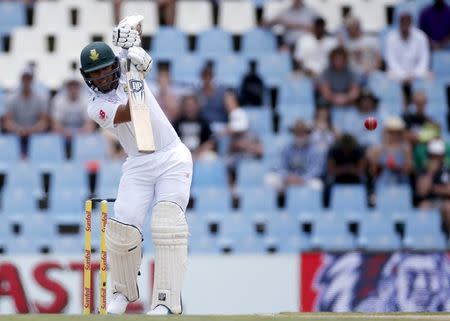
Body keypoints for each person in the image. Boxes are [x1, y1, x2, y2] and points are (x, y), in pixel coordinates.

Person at [79, 16, 192, 315]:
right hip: (138, 163)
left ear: (112, 64)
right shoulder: (95, 107)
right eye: (95, 73)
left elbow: (136, 23)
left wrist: (133, 41)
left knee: (167, 222)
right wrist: (137, 67)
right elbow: (133, 112)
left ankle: (166, 301)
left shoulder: (125, 61)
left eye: (105, 68)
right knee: (122, 227)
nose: (102, 76)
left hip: (171, 156)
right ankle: (121, 294)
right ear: (86, 76)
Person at [3, 65, 49, 159]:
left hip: (35, 137)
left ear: (32, 80)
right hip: (16, 136)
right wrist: (19, 130)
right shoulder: (11, 99)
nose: (26, 81)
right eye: (24, 78)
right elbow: (7, 122)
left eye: (28, 78)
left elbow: (44, 122)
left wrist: (31, 130)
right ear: (21, 79)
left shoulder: (40, 98)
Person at [51, 74, 95, 159]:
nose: (73, 88)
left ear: (79, 87)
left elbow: (90, 125)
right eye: (70, 85)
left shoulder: (86, 100)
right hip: (63, 135)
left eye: (75, 85)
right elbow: (55, 125)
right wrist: (65, 132)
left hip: (81, 134)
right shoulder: (58, 100)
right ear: (66, 87)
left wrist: (76, 133)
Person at [385, 10, 431, 82]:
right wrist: (403, 75)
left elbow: (424, 58)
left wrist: (415, 73)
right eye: (403, 21)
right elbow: (391, 60)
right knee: (388, 77)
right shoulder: (391, 38)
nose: (405, 24)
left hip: (417, 72)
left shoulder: (421, 36)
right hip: (397, 73)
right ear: (399, 22)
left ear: (411, 22)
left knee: (430, 77)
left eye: (407, 21)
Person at [416, 139, 450, 234]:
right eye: (433, 155)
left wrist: (433, 188)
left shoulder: (447, 170)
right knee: (423, 207)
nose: (435, 158)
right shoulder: (424, 171)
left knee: (448, 207)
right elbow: (422, 191)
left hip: (446, 202)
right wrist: (430, 172)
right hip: (431, 202)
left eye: (438, 155)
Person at [323, 133, 366, 207]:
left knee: (367, 183)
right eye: (344, 148)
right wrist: (347, 169)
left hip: (354, 178)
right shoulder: (333, 150)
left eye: (349, 148)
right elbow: (331, 171)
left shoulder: (359, 150)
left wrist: (348, 169)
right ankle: (327, 207)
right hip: (338, 178)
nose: (346, 150)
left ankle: (368, 204)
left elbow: (361, 170)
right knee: (327, 184)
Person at [279, 119, 325, 188]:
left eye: (302, 133)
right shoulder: (287, 149)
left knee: (317, 185)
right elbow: (281, 166)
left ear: (307, 134)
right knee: (271, 179)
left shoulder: (315, 150)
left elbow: (316, 170)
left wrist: (302, 178)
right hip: (289, 179)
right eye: (297, 133)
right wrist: (288, 176)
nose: (299, 135)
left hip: (306, 180)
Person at [173, 94, 216, 161]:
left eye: (192, 105)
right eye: (187, 105)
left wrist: (197, 153)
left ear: (197, 106)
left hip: (200, 153)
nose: (189, 108)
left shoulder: (203, 122)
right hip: (181, 154)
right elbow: (173, 142)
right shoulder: (177, 122)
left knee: (210, 157)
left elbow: (210, 142)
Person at [339, 16, 381, 80]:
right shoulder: (346, 44)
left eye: (351, 26)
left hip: (372, 75)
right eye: (348, 27)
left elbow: (378, 59)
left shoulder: (371, 40)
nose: (349, 29)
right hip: (352, 78)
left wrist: (372, 70)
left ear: (358, 26)